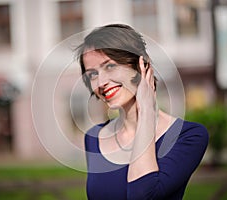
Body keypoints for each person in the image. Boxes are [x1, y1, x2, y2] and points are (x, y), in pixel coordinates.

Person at [76, 24, 208, 200]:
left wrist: (146, 111)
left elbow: (141, 195)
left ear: (140, 64)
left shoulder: (188, 136)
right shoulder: (94, 138)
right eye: (92, 74)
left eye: (110, 66)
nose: (101, 82)